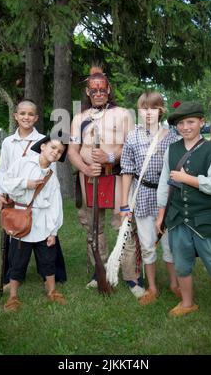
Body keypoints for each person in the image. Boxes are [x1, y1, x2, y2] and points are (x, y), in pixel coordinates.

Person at [155, 101, 211, 330]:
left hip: (205, 220)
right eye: (181, 123)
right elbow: (164, 183)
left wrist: (187, 178)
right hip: (178, 218)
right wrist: (161, 214)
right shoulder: (172, 149)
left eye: (190, 122)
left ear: (201, 122)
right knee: (181, 265)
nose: (185, 127)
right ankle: (187, 302)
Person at [68, 67, 144, 297]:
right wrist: (84, 167)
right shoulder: (79, 118)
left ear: (108, 89)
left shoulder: (123, 114)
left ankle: (132, 277)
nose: (98, 93)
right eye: (94, 89)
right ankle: (98, 273)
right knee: (93, 228)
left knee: (125, 225)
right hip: (88, 179)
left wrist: (110, 157)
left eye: (102, 89)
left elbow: (131, 147)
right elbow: (72, 150)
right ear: (87, 91)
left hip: (118, 176)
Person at [0, 99, 66, 290]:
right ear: (16, 116)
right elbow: (3, 170)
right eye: (22, 114)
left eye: (30, 114)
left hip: (41, 198)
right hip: (15, 194)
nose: (26, 117)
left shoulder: (44, 141)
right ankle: (14, 278)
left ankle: (51, 276)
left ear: (35, 118)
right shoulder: (9, 142)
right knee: (16, 232)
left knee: (46, 241)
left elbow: (52, 172)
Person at [120, 92, 180, 305]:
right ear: (139, 111)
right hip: (142, 194)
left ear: (160, 110)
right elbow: (126, 170)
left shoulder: (172, 137)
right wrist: (125, 203)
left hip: (167, 196)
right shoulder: (132, 136)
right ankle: (152, 287)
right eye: (144, 108)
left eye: (153, 108)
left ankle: (174, 284)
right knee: (147, 244)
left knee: (170, 244)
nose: (148, 113)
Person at [2, 132, 69, 311]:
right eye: (53, 147)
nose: (56, 152)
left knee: (48, 259)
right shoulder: (22, 163)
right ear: (43, 146)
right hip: (22, 220)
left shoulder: (52, 177)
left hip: (43, 223)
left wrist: (53, 232)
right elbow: (5, 182)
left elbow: (56, 205)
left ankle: (52, 291)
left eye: (60, 151)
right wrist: (26, 183)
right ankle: (13, 296)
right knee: (17, 261)